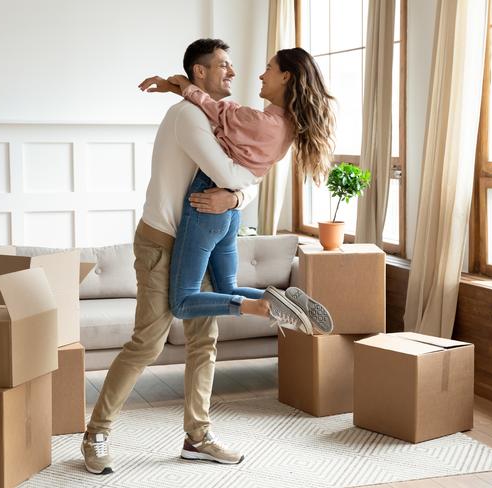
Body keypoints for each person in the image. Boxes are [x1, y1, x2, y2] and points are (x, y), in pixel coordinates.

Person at [81, 38, 315, 476]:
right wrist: (237, 191)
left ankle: (198, 436)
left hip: (199, 240)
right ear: (200, 73)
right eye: (223, 66)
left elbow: (248, 178)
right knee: (148, 342)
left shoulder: (217, 115)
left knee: (204, 341)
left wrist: (238, 195)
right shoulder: (188, 116)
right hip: (162, 240)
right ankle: (97, 432)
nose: (233, 72)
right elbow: (229, 174)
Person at [138, 46, 337, 334]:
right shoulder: (287, 127)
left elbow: (215, 110)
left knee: (182, 302)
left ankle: (257, 307)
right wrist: (236, 199)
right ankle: (287, 302)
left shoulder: (259, 122)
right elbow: (249, 176)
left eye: (268, 68)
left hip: (207, 203)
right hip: (229, 213)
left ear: (285, 77)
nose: (260, 74)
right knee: (227, 286)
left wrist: (178, 86)